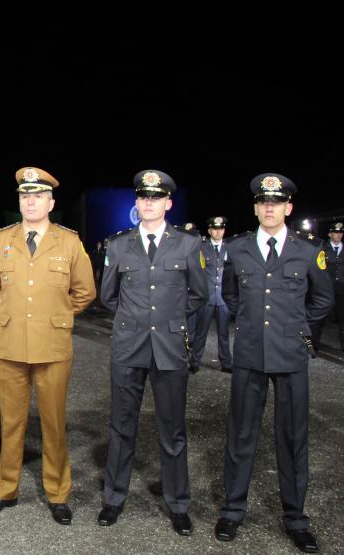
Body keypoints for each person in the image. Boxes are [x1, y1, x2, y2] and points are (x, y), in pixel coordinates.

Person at [214, 174, 333, 553]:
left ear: (288, 208)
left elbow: (323, 300)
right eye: (263, 203)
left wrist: (297, 330)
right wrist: (250, 326)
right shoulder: (238, 249)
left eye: (276, 203)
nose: (269, 208)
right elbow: (230, 294)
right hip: (249, 353)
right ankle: (233, 510)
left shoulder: (307, 249)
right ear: (255, 207)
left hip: (290, 355)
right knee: (241, 435)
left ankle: (296, 518)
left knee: (293, 437)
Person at [0, 167, 96, 525]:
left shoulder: (69, 242)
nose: (31, 201)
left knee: (53, 423)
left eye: (38, 196)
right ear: (20, 202)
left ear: (51, 202)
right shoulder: (3, 240)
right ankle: (5, 490)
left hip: (53, 346)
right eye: (25, 196)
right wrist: (21, 315)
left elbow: (85, 292)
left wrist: (54, 315)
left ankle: (58, 494)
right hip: (12, 345)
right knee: (10, 423)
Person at [97, 170, 207, 535]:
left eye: (156, 198)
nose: (149, 202)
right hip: (129, 346)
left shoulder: (188, 245)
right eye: (143, 197)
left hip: (170, 347)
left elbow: (198, 294)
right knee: (121, 426)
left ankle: (178, 503)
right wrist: (136, 320)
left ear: (168, 203)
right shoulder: (118, 245)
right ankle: (113, 498)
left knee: (172, 430)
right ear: (137, 203)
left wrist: (168, 320)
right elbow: (108, 295)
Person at [190, 216, 233, 373]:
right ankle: (195, 362)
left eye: (221, 229)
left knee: (224, 333)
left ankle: (226, 363)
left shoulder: (230, 248)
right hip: (206, 297)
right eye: (215, 229)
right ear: (209, 231)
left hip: (223, 298)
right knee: (201, 332)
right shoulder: (202, 248)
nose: (218, 231)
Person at [310, 221, 344, 351]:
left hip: (342, 288)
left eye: (340, 233)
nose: (338, 235)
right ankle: (314, 345)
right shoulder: (322, 249)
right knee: (320, 318)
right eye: (335, 233)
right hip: (326, 289)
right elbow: (318, 269)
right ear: (330, 234)